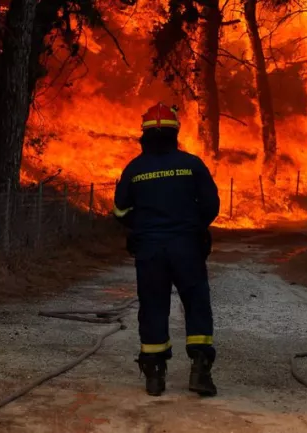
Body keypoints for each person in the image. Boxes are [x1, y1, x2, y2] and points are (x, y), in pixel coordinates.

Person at [113, 102, 220, 397]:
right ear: (175, 133)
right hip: (187, 248)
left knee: (153, 306)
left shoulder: (134, 169)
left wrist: (142, 227)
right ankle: (200, 370)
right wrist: (195, 227)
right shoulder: (192, 165)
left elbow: (120, 211)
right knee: (196, 303)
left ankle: (155, 375)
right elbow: (212, 205)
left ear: (144, 135)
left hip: (149, 251)